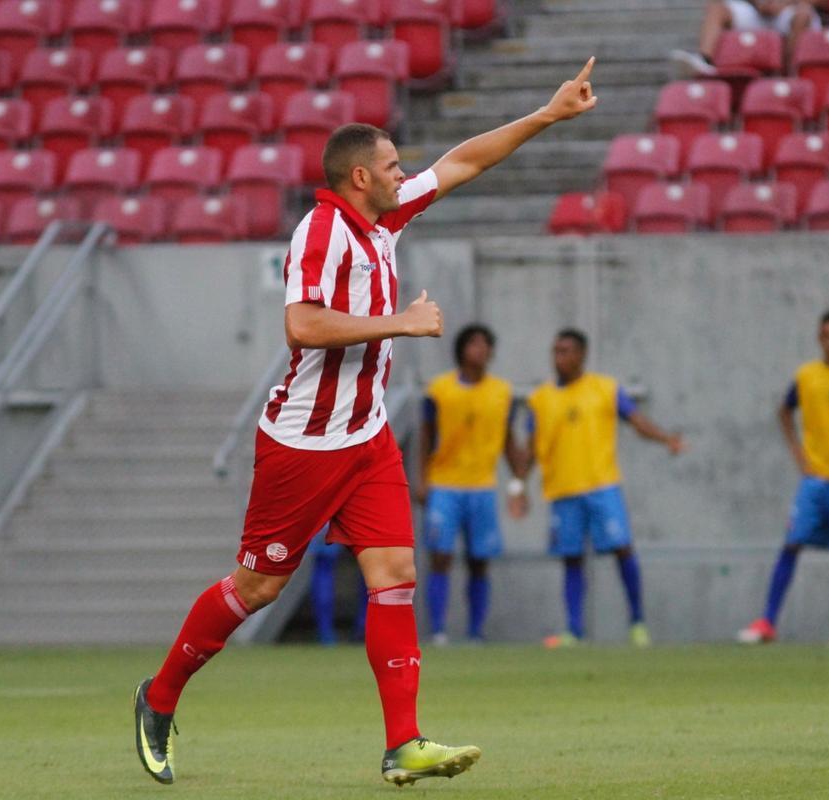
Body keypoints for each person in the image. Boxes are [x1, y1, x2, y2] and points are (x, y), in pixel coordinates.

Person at [132, 58, 601, 788]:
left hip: (366, 437)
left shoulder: (383, 215)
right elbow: (301, 325)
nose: (401, 171)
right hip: (303, 443)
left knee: (395, 574)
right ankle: (158, 697)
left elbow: (460, 162)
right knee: (255, 590)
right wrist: (401, 324)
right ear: (360, 179)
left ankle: (403, 742)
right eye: (390, 164)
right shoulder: (322, 233)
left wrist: (546, 114)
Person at [509, 329, 685, 648]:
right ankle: (573, 630)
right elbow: (530, 450)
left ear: (582, 355)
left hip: (602, 486)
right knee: (571, 558)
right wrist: (518, 487)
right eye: (556, 351)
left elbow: (636, 420)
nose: (559, 357)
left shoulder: (605, 389)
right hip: (563, 491)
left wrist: (665, 439)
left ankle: (638, 623)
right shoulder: (540, 399)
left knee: (622, 549)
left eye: (566, 351)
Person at [738, 310, 829, 646]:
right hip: (816, 480)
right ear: (820, 339)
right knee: (791, 543)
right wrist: (797, 452)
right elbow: (784, 410)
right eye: (828, 335)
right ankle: (767, 622)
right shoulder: (807, 376)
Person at [415, 323, 519, 645]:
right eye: (474, 343)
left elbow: (509, 442)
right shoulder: (439, 390)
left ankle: (476, 632)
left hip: (482, 485)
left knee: (479, 560)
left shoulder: (502, 392)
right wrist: (421, 479)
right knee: (440, 557)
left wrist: (517, 485)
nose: (481, 349)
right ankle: (439, 631)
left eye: (486, 344)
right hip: (445, 485)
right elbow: (426, 437)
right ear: (461, 350)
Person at [671, 0, 822, 76]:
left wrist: (784, 3)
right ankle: (704, 59)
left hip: (791, 10)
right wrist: (759, 3)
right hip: (758, 11)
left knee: (802, 17)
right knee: (717, 7)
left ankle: (788, 75)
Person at [307, 529, 368, 645]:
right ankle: (364, 628)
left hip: (325, 515)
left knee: (324, 564)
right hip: (369, 515)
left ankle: (325, 634)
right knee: (371, 564)